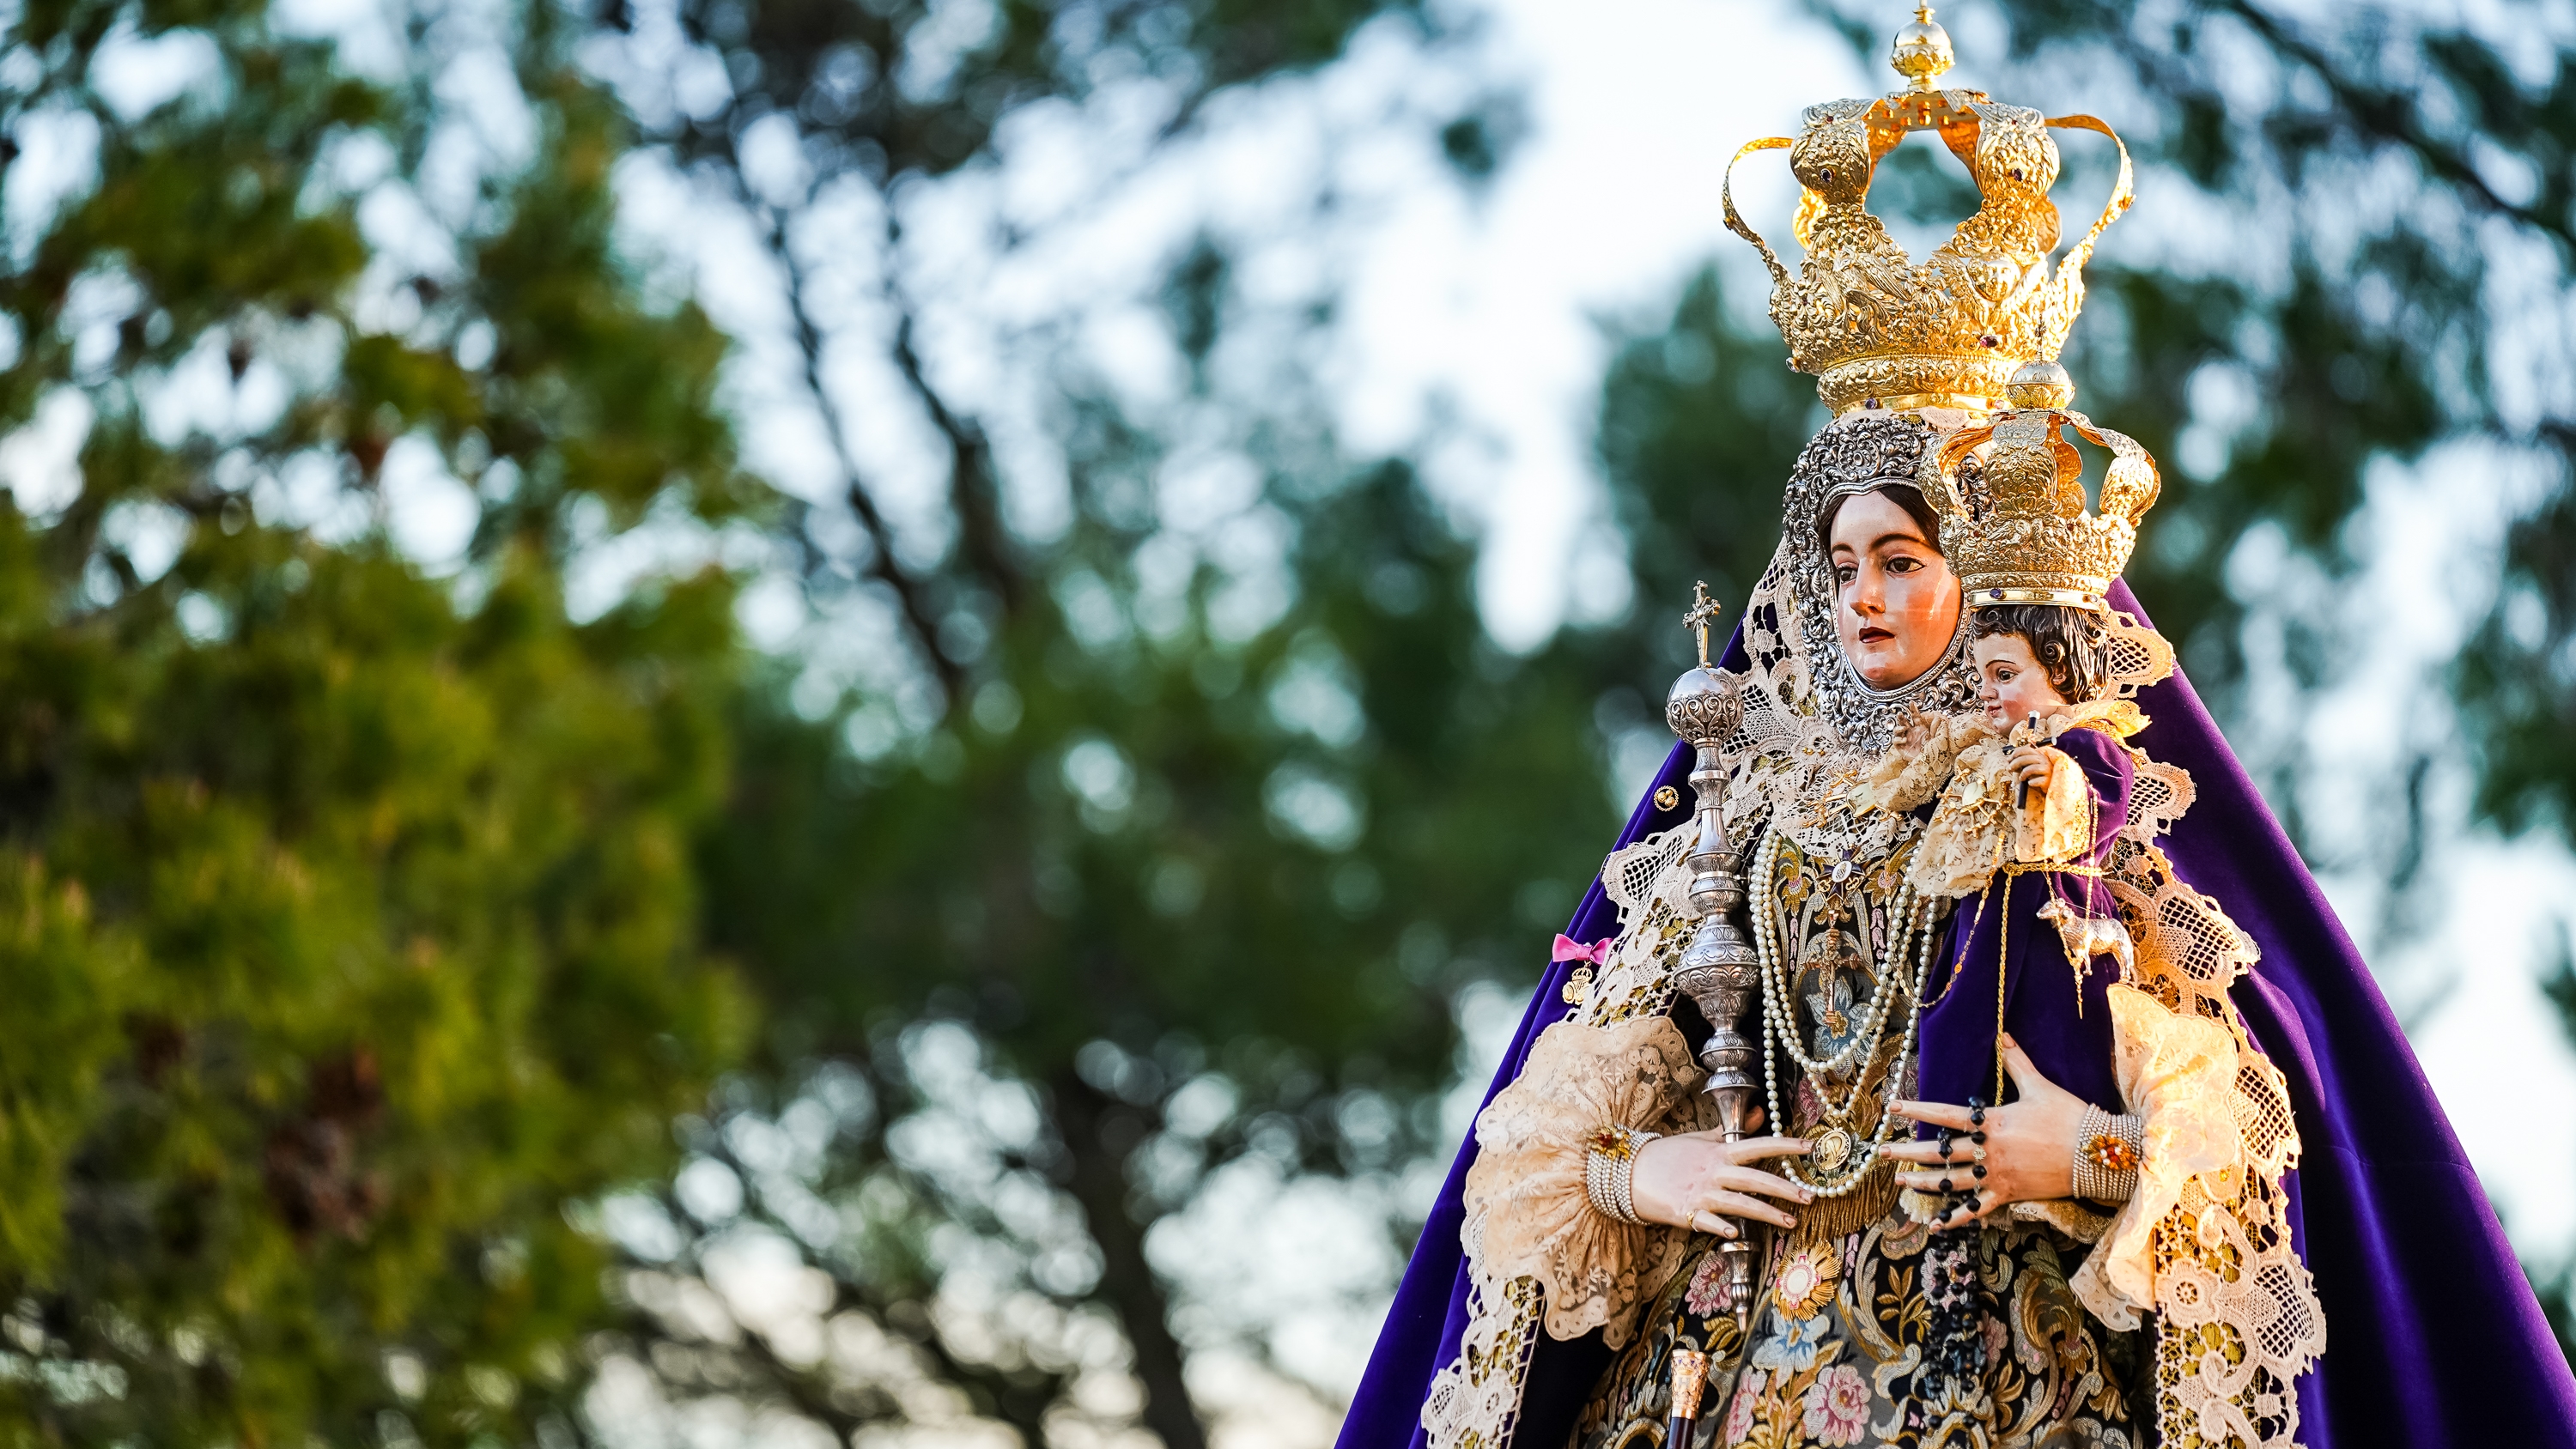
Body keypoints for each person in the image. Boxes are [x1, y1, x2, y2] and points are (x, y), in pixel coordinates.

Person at [1339, 13, 2576, 1449]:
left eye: (1904, 561)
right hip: (1738, 1375)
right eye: (1840, 563)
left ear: (1976, 575)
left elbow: (2251, 1119)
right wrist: (1639, 1179)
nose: (1863, 596)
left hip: (2011, 1382)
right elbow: (1567, 1109)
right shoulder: (1745, 809)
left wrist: (2097, 1155)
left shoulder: (2073, 800)